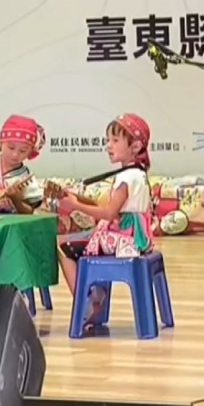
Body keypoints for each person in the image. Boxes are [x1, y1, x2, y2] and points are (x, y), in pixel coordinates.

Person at [52, 113, 154, 322]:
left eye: (115, 140)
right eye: (108, 140)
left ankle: (86, 303)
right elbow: (109, 209)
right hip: (135, 237)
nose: (109, 145)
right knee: (83, 242)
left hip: (122, 239)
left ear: (135, 146)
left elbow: (109, 213)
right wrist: (78, 199)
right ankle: (95, 292)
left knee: (63, 247)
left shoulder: (126, 177)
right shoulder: (138, 173)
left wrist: (74, 205)